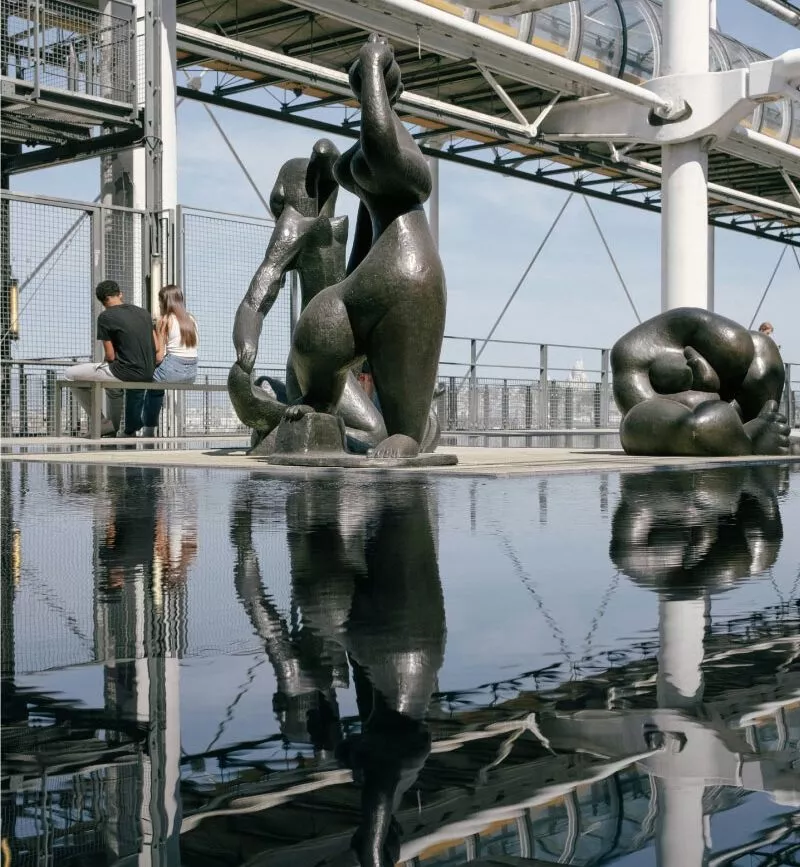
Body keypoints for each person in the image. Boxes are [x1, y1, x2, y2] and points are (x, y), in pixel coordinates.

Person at [65, 280, 156, 437]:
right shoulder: (144, 313)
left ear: (102, 300)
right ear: (120, 294)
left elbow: (110, 355)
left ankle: (101, 423)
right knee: (113, 386)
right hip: (148, 372)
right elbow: (156, 346)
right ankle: (111, 428)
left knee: (69, 374)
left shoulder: (106, 317)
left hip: (125, 372)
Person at [139, 284, 198, 437]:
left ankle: (149, 429)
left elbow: (159, 357)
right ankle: (149, 427)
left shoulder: (164, 320)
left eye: (160, 301)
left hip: (172, 368)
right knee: (157, 382)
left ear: (165, 302)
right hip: (192, 373)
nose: (158, 305)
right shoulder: (191, 320)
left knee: (152, 385)